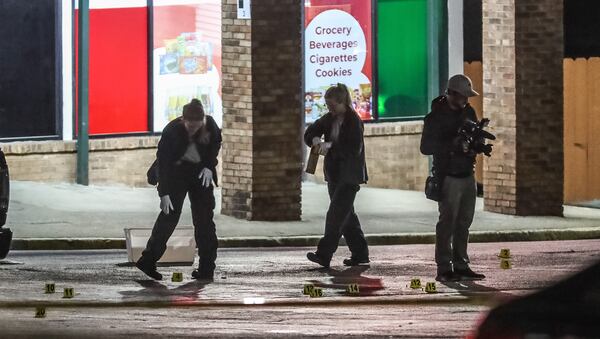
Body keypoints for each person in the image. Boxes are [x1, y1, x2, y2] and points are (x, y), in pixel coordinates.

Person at [136, 99, 222, 281]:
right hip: (176, 175)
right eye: (189, 125)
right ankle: (147, 260)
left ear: (202, 121)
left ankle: (207, 268)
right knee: (169, 217)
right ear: (183, 120)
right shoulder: (171, 132)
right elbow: (164, 163)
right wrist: (164, 193)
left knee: (204, 221)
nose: (193, 129)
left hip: (200, 176)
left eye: (196, 126)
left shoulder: (211, 125)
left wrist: (209, 165)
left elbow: (215, 143)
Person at [420, 74, 486, 282]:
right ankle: (444, 267)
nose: (466, 100)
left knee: (464, 222)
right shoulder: (436, 116)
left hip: (467, 172)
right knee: (447, 222)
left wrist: (476, 144)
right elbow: (426, 147)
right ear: (452, 94)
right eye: (463, 96)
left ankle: (461, 264)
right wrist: (453, 144)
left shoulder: (468, 111)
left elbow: (475, 135)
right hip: (448, 174)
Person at [303, 83, 369, 268]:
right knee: (346, 216)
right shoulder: (329, 118)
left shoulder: (353, 121)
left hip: (349, 177)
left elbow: (353, 149)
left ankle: (324, 254)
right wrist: (315, 139)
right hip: (334, 175)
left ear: (342, 102)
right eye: (328, 105)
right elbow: (311, 131)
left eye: (332, 105)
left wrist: (329, 146)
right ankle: (360, 253)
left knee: (335, 215)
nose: (330, 109)